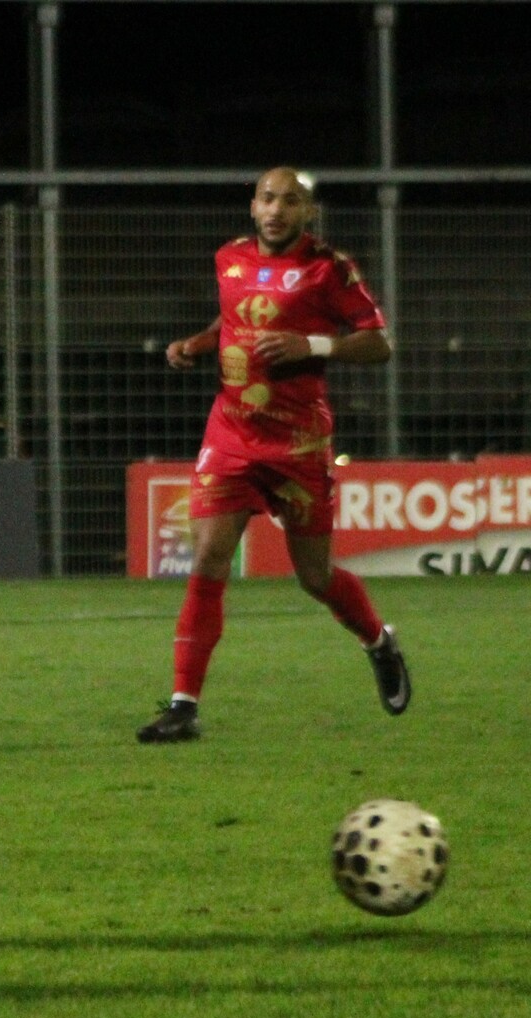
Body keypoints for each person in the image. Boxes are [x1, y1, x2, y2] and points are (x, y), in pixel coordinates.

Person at [137, 166, 411, 744]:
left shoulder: (329, 269)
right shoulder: (229, 258)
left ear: (308, 212)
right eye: (268, 198)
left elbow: (380, 344)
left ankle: (378, 641)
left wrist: (311, 344)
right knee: (208, 558)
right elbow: (235, 316)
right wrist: (199, 342)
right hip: (231, 435)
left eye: (290, 201)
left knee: (314, 576)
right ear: (253, 205)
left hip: (299, 442)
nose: (277, 210)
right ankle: (183, 706)